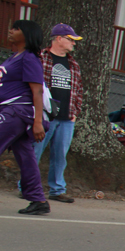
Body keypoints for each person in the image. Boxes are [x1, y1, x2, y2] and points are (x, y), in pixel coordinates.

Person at [2, 20, 49, 215]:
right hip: (11, 112)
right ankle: (38, 199)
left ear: (27, 34)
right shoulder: (14, 57)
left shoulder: (29, 58)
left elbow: (37, 91)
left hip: (17, 113)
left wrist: (38, 122)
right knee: (26, 157)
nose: (10, 31)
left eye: (16, 28)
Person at [33, 23, 83, 203]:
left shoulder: (73, 64)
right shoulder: (40, 58)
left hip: (66, 118)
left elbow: (78, 89)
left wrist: (75, 111)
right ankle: (27, 186)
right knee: (34, 152)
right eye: (71, 40)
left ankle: (57, 189)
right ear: (59, 38)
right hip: (45, 116)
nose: (74, 43)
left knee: (60, 156)